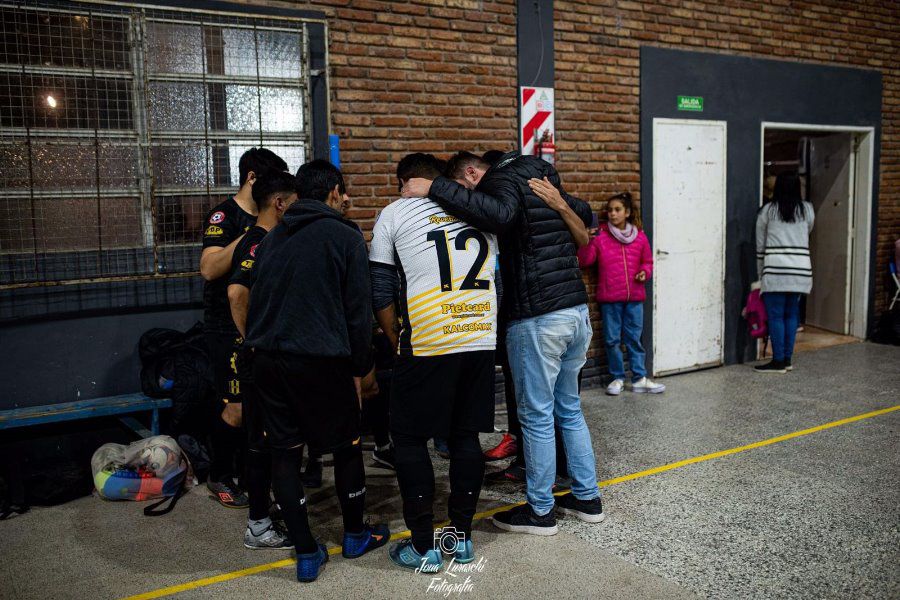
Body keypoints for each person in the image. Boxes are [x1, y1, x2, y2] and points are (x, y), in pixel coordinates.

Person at [402, 150, 604, 536]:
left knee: (537, 417)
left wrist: (435, 187)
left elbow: (499, 215)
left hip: (538, 318)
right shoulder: (537, 174)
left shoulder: (498, 183)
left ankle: (541, 512)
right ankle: (586, 497)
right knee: (569, 410)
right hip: (575, 312)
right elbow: (585, 212)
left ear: (473, 174)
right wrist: (560, 201)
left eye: (462, 189)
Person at [246, 160, 389, 583]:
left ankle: (307, 552)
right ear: (332, 194)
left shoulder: (272, 239)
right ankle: (355, 535)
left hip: (266, 360)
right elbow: (357, 312)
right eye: (343, 194)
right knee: (346, 447)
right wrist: (364, 369)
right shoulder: (344, 236)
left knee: (285, 454)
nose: (346, 201)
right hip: (319, 361)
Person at [370, 153, 498, 571]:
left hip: (427, 341)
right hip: (480, 338)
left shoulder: (395, 211)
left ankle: (423, 546)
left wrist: (394, 337)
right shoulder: (476, 210)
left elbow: (380, 286)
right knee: (464, 438)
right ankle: (460, 541)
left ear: (406, 181)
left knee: (408, 439)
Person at [200, 147, 288, 508]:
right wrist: (253, 234)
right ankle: (219, 475)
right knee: (236, 407)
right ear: (252, 179)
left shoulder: (277, 217)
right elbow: (208, 269)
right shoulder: (225, 216)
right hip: (227, 327)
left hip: (263, 326)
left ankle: (253, 474)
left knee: (261, 409)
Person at [225, 171, 299, 549]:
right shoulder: (258, 242)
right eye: (295, 202)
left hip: (273, 356)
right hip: (258, 359)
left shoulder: (274, 240)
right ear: (280, 203)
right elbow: (237, 293)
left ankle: (268, 510)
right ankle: (258, 526)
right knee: (260, 444)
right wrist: (253, 339)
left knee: (272, 444)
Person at [570, 191, 665, 396]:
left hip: (634, 299)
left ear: (628, 213)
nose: (612, 214)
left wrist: (644, 272)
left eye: (617, 210)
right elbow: (586, 261)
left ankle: (639, 378)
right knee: (612, 340)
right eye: (610, 210)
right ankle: (617, 378)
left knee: (633, 339)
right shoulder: (602, 236)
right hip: (610, 299)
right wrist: (588, 239)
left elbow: (647, 262)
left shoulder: (639, 237)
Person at [754, 172, 815, 374]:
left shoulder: (768, 211)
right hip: (801, 271)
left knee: (776, 316)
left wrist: (760, 275)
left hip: (775, 270)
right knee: (791, 315)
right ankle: (787, 359)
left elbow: (760, 245)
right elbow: (808, 231)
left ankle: (778, 360)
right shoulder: (807, 210)